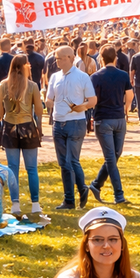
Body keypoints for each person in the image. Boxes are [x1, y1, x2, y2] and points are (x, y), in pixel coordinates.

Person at [47, 45, 96, 209]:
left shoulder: (82, 77)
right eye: (56, 58)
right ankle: (69, 200)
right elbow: (49, 99)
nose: (57, 61)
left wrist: (83, 106)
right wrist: (48, 102)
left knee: (71, 160)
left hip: (76, 122)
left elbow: (92, 100)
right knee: (63, 163)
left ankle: (82, 189)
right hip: (58, 122)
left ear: (70, 57)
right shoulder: (54, 77)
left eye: (60, 58)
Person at [0, 54, 44, 215]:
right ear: (25, 66)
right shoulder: (32, 86)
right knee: (31, 168)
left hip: (10, 127)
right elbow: (39, 109)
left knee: (12, 167)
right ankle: (35, 203)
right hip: (28, 126)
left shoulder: (4, 85)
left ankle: (15, 203)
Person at [89, 45, 133, 205]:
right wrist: (125, 108)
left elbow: (91, 98)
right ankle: (118, 194)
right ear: (115, 58)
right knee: (114, 156)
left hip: (103, 118)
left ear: (101, 58)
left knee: (112, 157)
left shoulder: (96, 77)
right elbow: (130, 94)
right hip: (118, 117)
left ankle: (96, 185)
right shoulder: (123, 75)